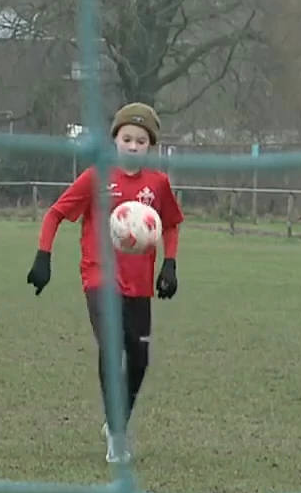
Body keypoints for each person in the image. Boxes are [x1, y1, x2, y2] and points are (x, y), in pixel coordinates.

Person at [26, 102, 184, 463]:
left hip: (139, 285)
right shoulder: (96, 177)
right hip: (99, 277)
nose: (132, 145)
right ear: (115, 140)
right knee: (112, 346)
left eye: (140, 140)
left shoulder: (157, 184)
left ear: (150, 146)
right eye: (126, 138)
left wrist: (170, 264)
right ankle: (116, 438)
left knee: (139, 358)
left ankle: (119, 420)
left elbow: (171, 223)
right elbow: (55, 214)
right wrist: (43, 256)